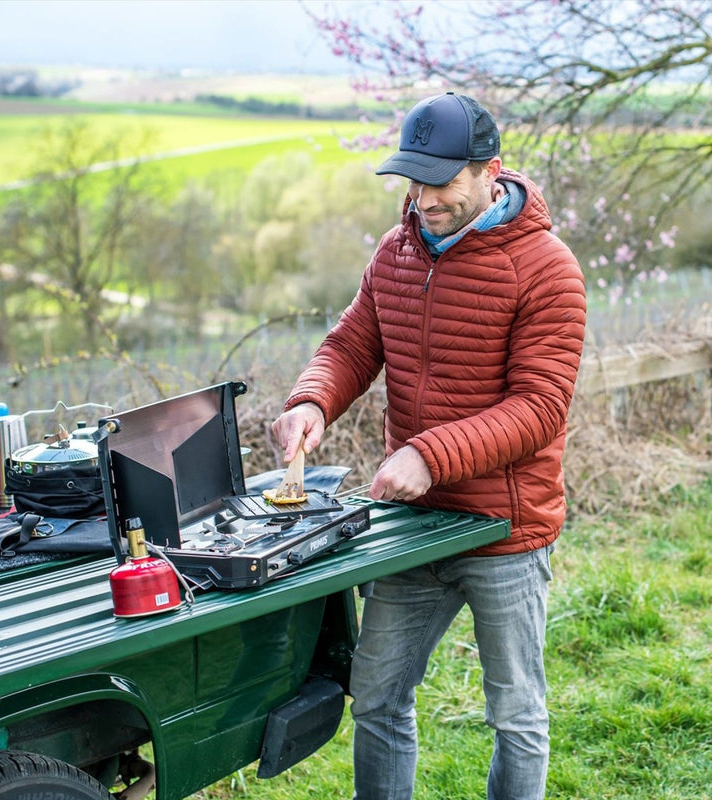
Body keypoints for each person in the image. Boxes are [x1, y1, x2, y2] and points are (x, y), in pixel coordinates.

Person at [272, 91, 587, 800]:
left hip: (504, 529)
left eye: (441, 181)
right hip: (413, 528)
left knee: (515, 714)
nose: (423, 199)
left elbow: (539, 409)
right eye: (414, 180)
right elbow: (354, 343)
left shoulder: (548, 268)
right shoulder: (397, 250)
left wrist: (430, 454)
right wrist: (310, 401)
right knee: (377, 694)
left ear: (490, 172)